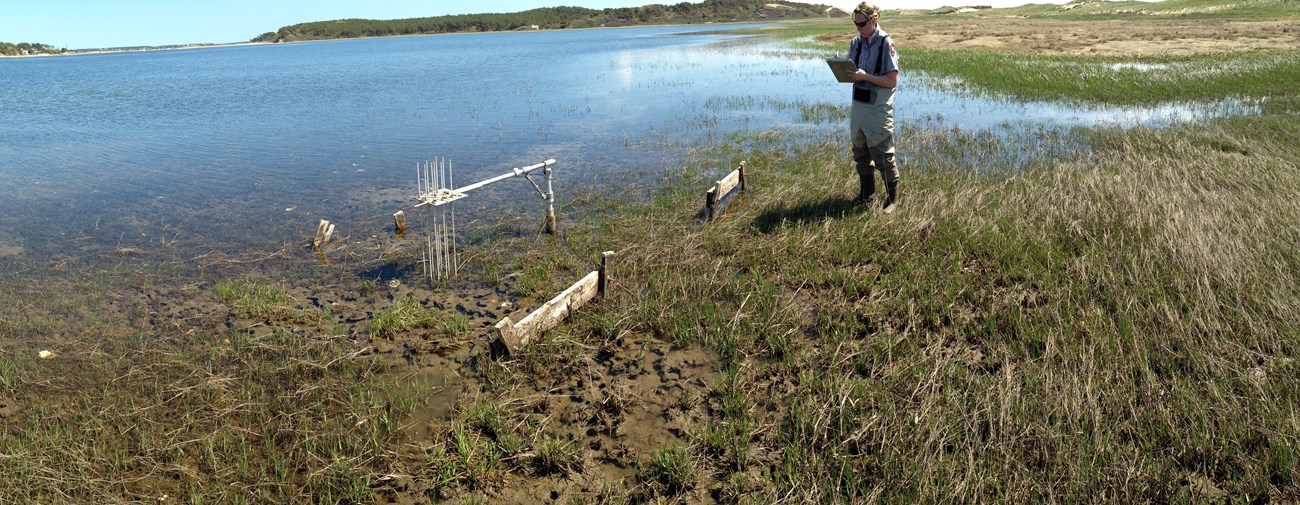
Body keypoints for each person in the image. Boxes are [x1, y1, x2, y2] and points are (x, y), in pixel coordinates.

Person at [846, 2, 900, 213]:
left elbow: (891, 82)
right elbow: (852, 71)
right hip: (858, 107)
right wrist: (845, 71)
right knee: (860, 152)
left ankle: (893, 201)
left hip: (878, 109)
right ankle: (867, 195)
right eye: (856, 24)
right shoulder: (855, 43)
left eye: (862, 24)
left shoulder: (887, 44)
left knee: (883, 154)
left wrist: (865, 76)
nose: (858, 28)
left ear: (874, 19)